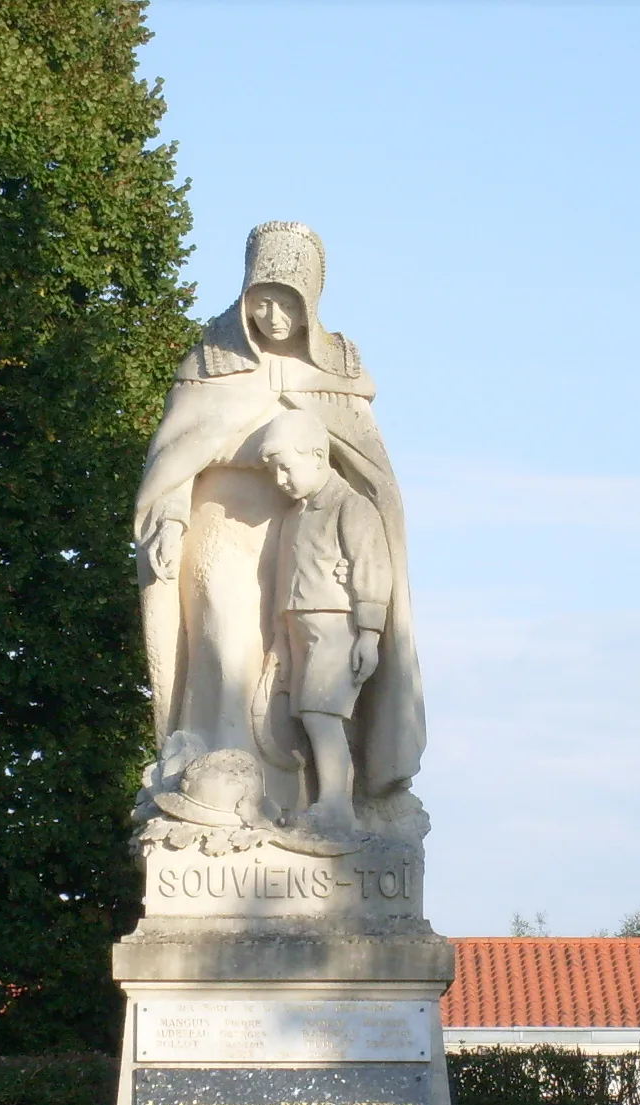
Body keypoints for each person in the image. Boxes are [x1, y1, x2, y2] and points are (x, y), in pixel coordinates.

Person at [132, 222, 426, 825]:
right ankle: (226, 789)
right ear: (244, 296)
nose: (272, 314)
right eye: (262, 298)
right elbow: (173, 457)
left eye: (287, 301)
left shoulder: (338, 367)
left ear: (310, 301)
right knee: (224, 642)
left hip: (307, 538)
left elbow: (368, 469)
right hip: (221, 524)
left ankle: (305, 800)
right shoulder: (210, 361)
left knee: (302, 675)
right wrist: (167, 519)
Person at [257, 412, 390, 835]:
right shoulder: (294, 515)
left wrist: (368, 634)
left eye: (285, 467)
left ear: (317, 455)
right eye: (273, 470)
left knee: (322, 716)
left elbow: (371, 566)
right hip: (300, 626)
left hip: (335, 626)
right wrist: (280, 634)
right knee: (308, 718)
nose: (279, 479)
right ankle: (321, 801)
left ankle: (337, 808)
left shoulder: (351, 506)